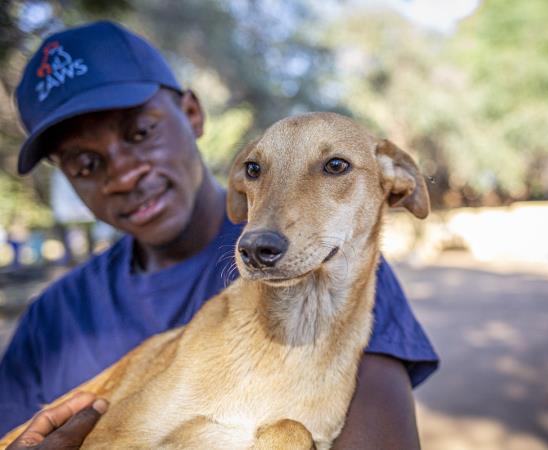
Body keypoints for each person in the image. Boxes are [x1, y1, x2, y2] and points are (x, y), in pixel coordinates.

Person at [0, 21, 438, 449]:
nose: (124, 175)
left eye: (140, 132)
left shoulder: (338, 267)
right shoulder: (48, 321)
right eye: (86, 164)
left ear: (192, 113)